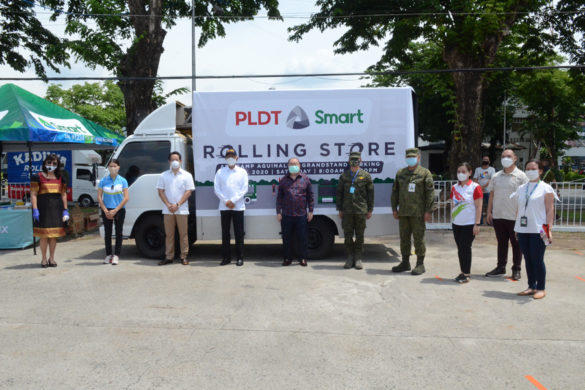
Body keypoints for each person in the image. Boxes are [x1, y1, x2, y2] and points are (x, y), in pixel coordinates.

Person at [513, 160, 557, 300]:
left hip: (539, 229)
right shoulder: (521, 188)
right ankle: (531, 286)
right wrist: (517, 226)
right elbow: (519, 209)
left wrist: (549, 228)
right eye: (528, 168)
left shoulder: (546, 188)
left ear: (540, 171)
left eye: (534, 168)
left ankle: (541, 288)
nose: (530, 171)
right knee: (528, 258)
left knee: (538, 259)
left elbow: (550, 210)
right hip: (523, 229)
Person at [485, 149, 528, 280]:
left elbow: (526, 197)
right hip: (498, 215)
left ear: (515, 158)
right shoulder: (496, 176)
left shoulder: (521, 176)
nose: (506, 158)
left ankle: (516, 269)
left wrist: (523, 214)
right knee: (501, 243)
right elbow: (491, 194)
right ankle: (500, 267)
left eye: (509, 156)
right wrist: (488, 212)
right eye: (503, 156)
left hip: (514, 216)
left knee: (516, 243)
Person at [391, 148, 434, 275]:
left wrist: (428, 210)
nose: (410, 159)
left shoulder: (425, 173)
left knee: (418, 238)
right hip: (403, 212)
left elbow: (430, 194)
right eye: (408, 157)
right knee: (404, 238)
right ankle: (405, 262)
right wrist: (394, 208)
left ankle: (420, 264)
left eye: (413, 157)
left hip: (418, 213)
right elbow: (395, 192)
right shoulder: (400, 173)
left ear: (418, 158)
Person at [336, 151, 374, 270]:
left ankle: (358, 258)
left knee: (360, 235)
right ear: (349, 161)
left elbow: (370, 194)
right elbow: (339, 193)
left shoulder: (366, 176)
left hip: (360, 210)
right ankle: (350, 257)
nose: (354, 161)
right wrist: (340, 209)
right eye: (352, 159)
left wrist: (370, 209)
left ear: (360, 161)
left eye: (356, 159)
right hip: (347, 211)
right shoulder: (344, 176)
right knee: (347, 235)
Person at [156, 152, 195, 266]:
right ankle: (169, 256)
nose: (175, 161)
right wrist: (168, 204)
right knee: (169, 234)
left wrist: (177, 204)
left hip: (182, 209)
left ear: (181, 161)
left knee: (183, 234)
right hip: (168, 210)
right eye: (172, 159)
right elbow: (160, 191)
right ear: (169, 161)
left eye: (177, 159)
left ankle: (184, 256)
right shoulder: (163, 175)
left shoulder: (187, 175)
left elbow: (188, 192)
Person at [30, 154, 69, 268]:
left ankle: (52, 258)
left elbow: (63, 194)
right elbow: (33, 194)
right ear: (44, 164)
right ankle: (43, 259)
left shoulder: (61, 178)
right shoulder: (37, 177)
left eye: (54, 163)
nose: (51, 165)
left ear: (57, 165)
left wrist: (65, 210)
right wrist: (35, 209)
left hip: (57, 210)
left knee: (53, 236)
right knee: (43, 236)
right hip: (43, 210)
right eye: (49, 163)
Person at [276, 157, 314, 267]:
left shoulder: (305, 179)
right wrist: (278, 212)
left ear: (299, 166)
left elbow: (310, 197)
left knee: (302, 238)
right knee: (287, 238)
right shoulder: (283, 180)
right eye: (291, 164)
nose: (293, 165)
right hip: (287, 215)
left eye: (295, 163)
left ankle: (302, 258)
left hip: (301, 214)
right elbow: (279, 198)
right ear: (288, 166)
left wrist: (310, 211)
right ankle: (287, 258)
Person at [214, 149, 249, 266]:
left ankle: (240, 258)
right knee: (225, 234)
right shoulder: (220, 172)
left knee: (239, 233)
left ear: (236, 158)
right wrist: (226, 201)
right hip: (224, 207)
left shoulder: (242, 172)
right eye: (228, 156)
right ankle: (226, 258)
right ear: (225, 159)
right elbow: (216, 189)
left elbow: (244, 189)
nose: (230, 158)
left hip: (238, 207)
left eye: (232, 156)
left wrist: (233, 201)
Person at [451, 162, 483, 283]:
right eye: (459, 172)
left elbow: (479, 206)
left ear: (470, 173)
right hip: (457, 223)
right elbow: (454, 203)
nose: (461, 174)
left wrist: (477, 223)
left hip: (469, 224)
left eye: (464, 172)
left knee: (465, 247)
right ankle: (463, 271)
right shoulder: (455, 187)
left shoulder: (475, 187)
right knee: (460, 248)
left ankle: (467, 274)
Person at [97, 159, 129, 265]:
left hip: (119, 210)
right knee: (108, 233)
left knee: (119, 233)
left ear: (118, 167)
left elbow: (126, 198)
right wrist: (105, 210)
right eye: (110, 166)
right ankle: (108, 255)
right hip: (107, 210)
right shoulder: (103, 181)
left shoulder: (123, 180)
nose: (112, 168)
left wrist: (115, 210)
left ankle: (116, 255)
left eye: (115, 166)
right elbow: (99, 197)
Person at [473, 156, 495, 224]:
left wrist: (484, 186)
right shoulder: (477, 169)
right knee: (479, 206)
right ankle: (480, 222)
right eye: (484, 159)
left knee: (490, 206)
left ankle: (490, 222)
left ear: (489, 161)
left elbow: (492, 179)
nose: (485, 160)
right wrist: (480, 188)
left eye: (487, 160)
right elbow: (475, 179)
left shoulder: (492, 169)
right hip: (479, 191)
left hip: (489, 191)